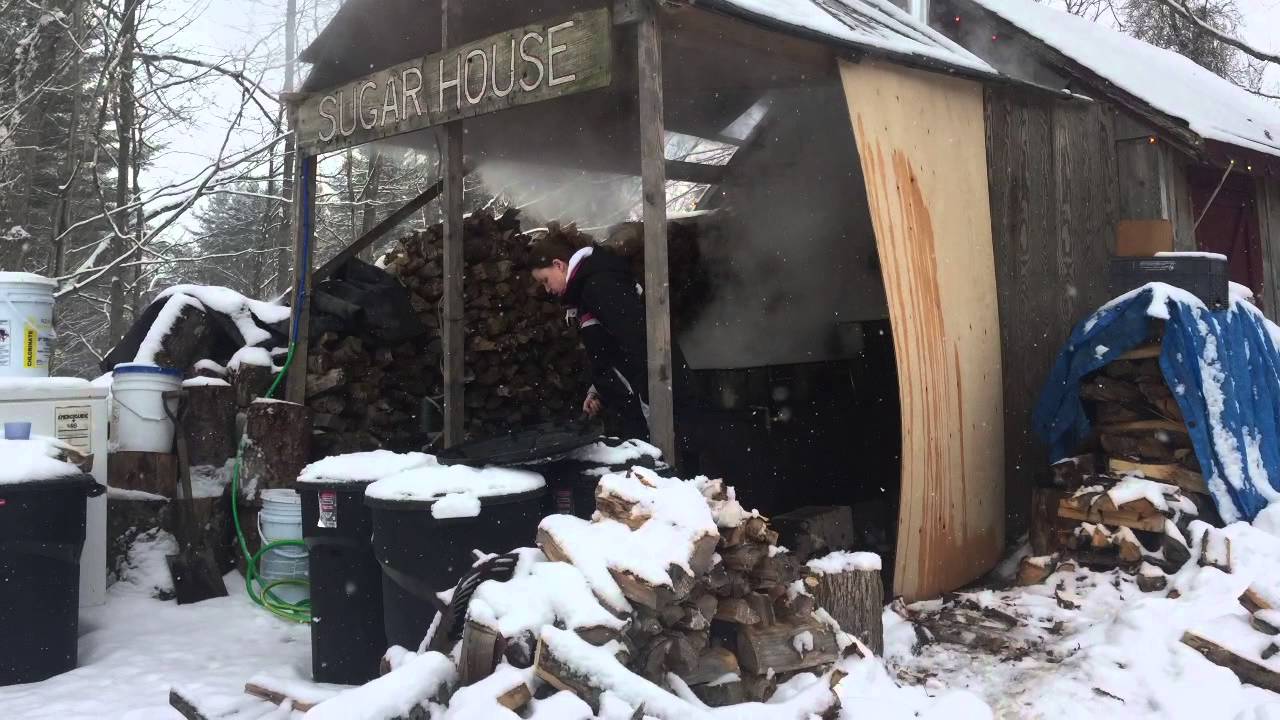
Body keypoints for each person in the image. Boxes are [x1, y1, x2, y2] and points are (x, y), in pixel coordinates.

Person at [529, 232, 677, 444]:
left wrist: (647, 405)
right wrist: (598, 388)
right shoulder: (585, 292)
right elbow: (608, 350)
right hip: (630, 404)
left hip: (644, 407)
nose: (547, 289)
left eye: (545, 280)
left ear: (558, 265)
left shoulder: (599, 286)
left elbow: (639, 346)